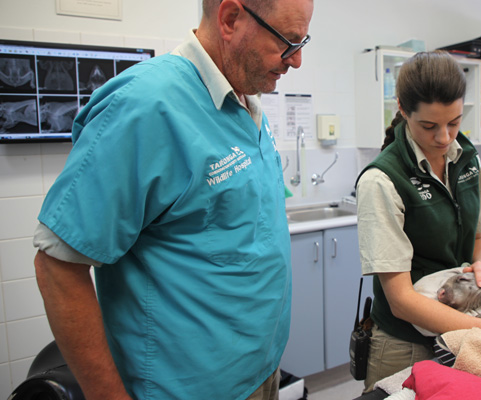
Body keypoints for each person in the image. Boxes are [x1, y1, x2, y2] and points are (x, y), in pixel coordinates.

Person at [32, 0, 313, 399]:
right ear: (231, 19)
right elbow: (57, 265)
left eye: (303, 42)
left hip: (259, 372)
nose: (297, 60)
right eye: (288, 42)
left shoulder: (246, 98)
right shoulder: (146, 106)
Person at [355, 51, 481, 391]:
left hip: (464, 329)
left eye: (455, 122)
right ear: (402, 109)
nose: (445, 138)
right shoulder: (382, 181)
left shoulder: (467, 159)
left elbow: (476, 240)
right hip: (405, 343)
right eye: (429, 126)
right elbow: (401, 301)